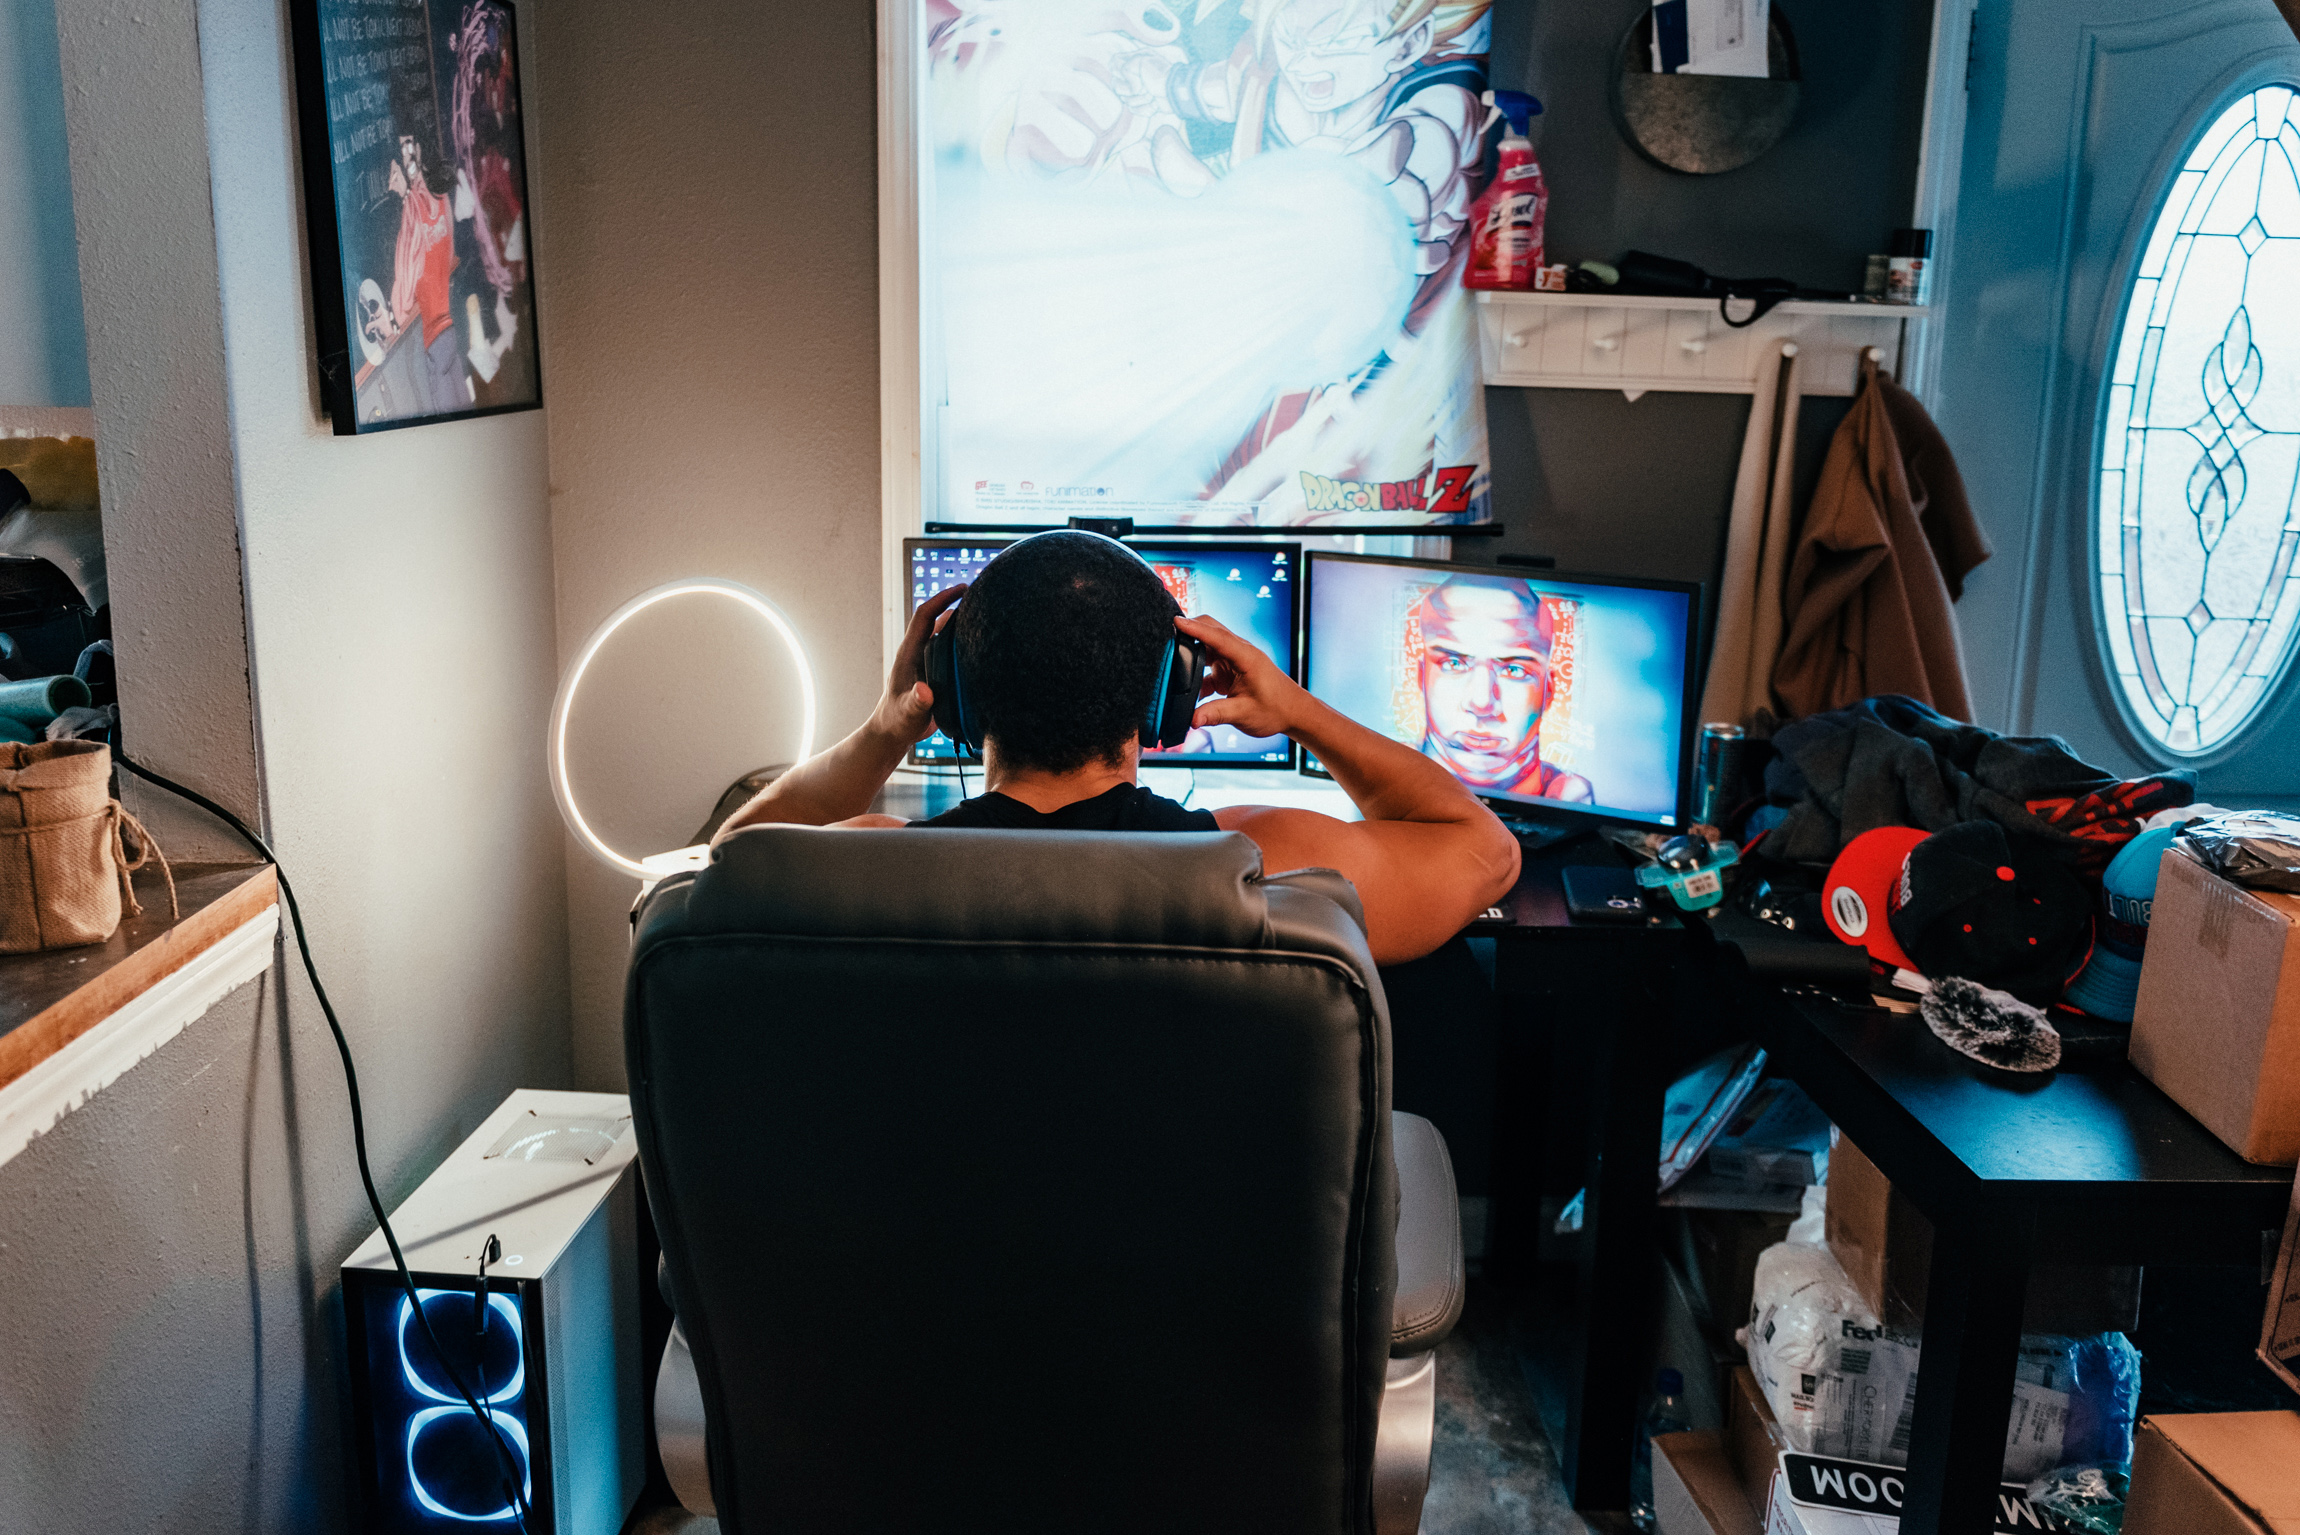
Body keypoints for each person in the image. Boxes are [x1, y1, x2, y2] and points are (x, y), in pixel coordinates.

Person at [716, 532, 1518, 963]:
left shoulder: (863, 872)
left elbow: (726, 863)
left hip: (937, 1264)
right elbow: (1485, 851)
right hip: (1196, 1266)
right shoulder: (1262, 863)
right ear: (1167, 699)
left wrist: (891, 723)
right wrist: (1300, 710)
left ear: (954, 692)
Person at [1413, 575, 1592, 805]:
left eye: (1515, 670)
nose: (1481, 703)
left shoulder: (1571, 798)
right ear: (1421, 676)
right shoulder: (1381, 774)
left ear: (1549, 690)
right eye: (1454, 664)